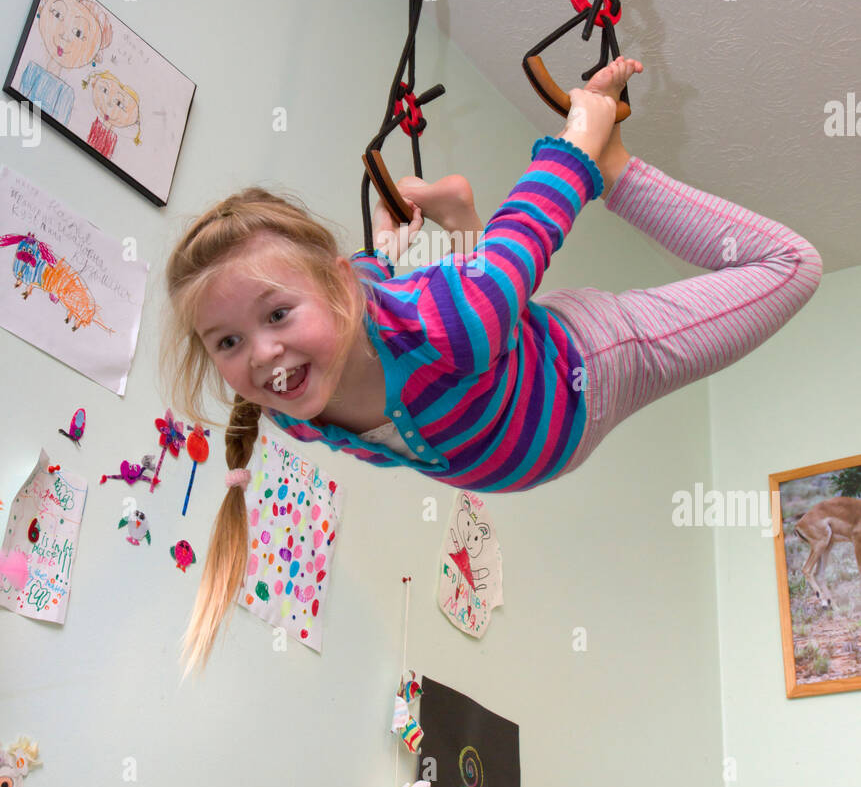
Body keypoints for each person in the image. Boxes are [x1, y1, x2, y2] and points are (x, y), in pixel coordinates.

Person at [160, 57, 822, 671]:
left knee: (790, 268)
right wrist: (384, 254)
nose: (262, 354)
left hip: (587, 366)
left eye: (275, 315)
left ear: (339, 290)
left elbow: (527, 230)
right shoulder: (295, 413)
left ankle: (609, 170)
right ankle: (456, 219)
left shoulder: (449, 319)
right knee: (476, 325)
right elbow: (354, 294)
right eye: (226, 342)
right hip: (498, 362)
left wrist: (585, 143)